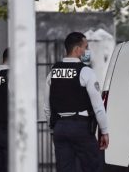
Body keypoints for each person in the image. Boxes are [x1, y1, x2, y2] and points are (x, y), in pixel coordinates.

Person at [44, 32, 109, 172]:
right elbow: (98, 106)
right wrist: (104, 131)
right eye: (86, 47)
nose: (87, 51)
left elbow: (47, 107)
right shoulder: (86, 72)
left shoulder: (53, 72)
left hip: (60, 127)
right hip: (80, 128)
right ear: (77, 49)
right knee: (94, 166)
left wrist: (53, 129)